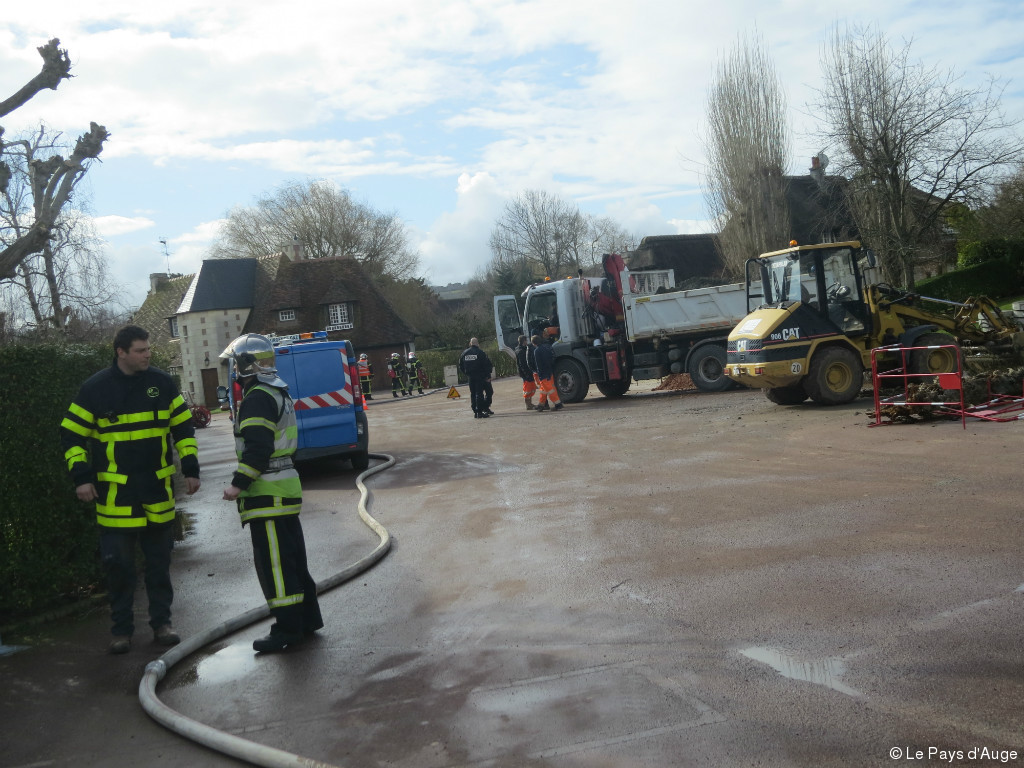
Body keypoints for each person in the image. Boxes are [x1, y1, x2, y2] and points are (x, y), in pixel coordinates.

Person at [60, 325, 201, 654]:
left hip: (157, 493)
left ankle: (162, 624)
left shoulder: (162, 383)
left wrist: (191, 469)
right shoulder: (95, 389)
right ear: (120, 352)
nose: (148, 354)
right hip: (116, 498)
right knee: (118, 568)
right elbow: (71, 435)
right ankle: (121, 631)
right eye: (140, 350)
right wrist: (81, 478)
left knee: (159, 566)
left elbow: (183, 428)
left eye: (148, 349)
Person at [220, 334, 323, 653]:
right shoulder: (277, 390)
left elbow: (258, 448)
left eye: (235, 364)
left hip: (267, 494)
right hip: (284, 489)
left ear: (246, 365)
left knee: (275, 566)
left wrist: (238, 484)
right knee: (293, 562)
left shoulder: (257, 398)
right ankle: (307, 619)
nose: (234, 370)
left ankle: (287, 629)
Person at [458, 337, 493, 418]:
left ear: (470, 343)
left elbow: (461, 365)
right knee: (479, 394)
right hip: (480, 376)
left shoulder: (464, 353)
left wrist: (466, 373)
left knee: (473, 394)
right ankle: (480, 411)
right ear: (477, 344)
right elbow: (486, 365)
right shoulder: (480, 352)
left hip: (471, 377)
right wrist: (487, 376)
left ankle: (475, 411)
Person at [531, 334, 563, 412]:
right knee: (544, 389)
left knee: (549, 389)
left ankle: (558, 404)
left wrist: (539, 374)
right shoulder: (547, 347)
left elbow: (539, 364)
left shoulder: (537, 351)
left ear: (534, 343)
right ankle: (541, 405)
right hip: (549, 371)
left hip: (543, 373)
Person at [515, 334, 536, 411]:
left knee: (530, 388)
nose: (527, 342)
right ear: (524, 341)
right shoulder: (521, 351)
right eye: (526, 340)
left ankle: (529, 403)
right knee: (528, 389)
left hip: (525, 373)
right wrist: (527, 374)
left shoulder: (520, 349)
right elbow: (523, 364)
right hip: (526, 373)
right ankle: (528, 404)